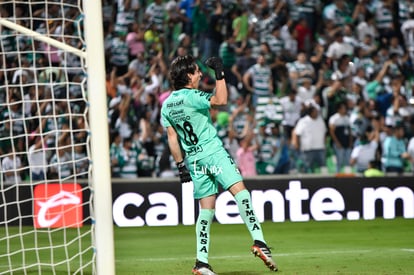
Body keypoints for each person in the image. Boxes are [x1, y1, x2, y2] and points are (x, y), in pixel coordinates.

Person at [161, 55, 277, 274]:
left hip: (194, 160)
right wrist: (220, 74)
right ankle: (259, 241)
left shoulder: (167, 104)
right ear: (187, 76)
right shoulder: (192, 96)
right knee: (241, 193)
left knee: (205, 211)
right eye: (196, 71)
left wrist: (180, 166)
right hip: (213, 153)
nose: (200, 74)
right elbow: (221, 100)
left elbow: (172, 138)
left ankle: (201, 263)